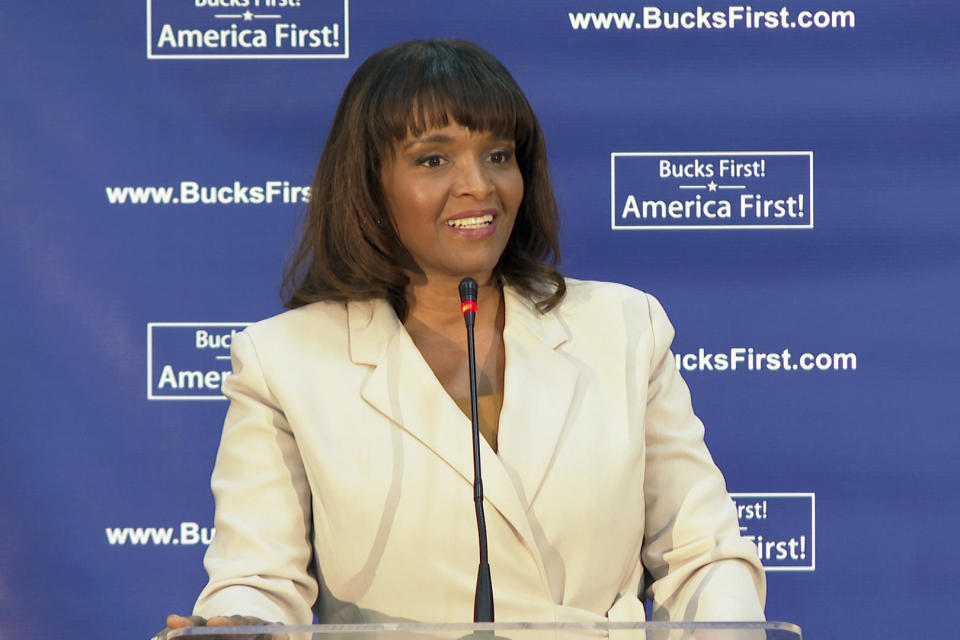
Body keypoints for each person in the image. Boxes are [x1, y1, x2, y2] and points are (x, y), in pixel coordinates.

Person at [158, 39, 765, 638]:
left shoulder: (623, 327)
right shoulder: (284, 361)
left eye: (499, 155)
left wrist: (729, 631)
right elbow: (259, 580)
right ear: (370, 184)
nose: (479, 185)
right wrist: (236, 628)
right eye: (433, 160)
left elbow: (703, 554)